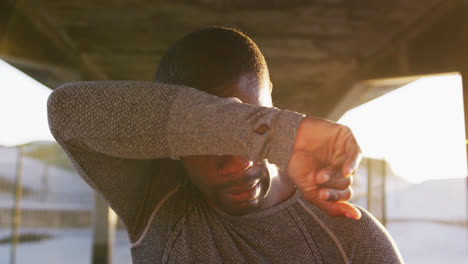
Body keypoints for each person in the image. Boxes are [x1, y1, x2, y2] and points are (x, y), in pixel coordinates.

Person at [47, 27, 402, 263]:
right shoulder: (155, 200)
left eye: (251, 119)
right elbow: (66, 111)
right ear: (176, 141)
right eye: (211, 139)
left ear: (272, 106)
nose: (235, 164)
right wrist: (273, 134)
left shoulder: (350, 239)